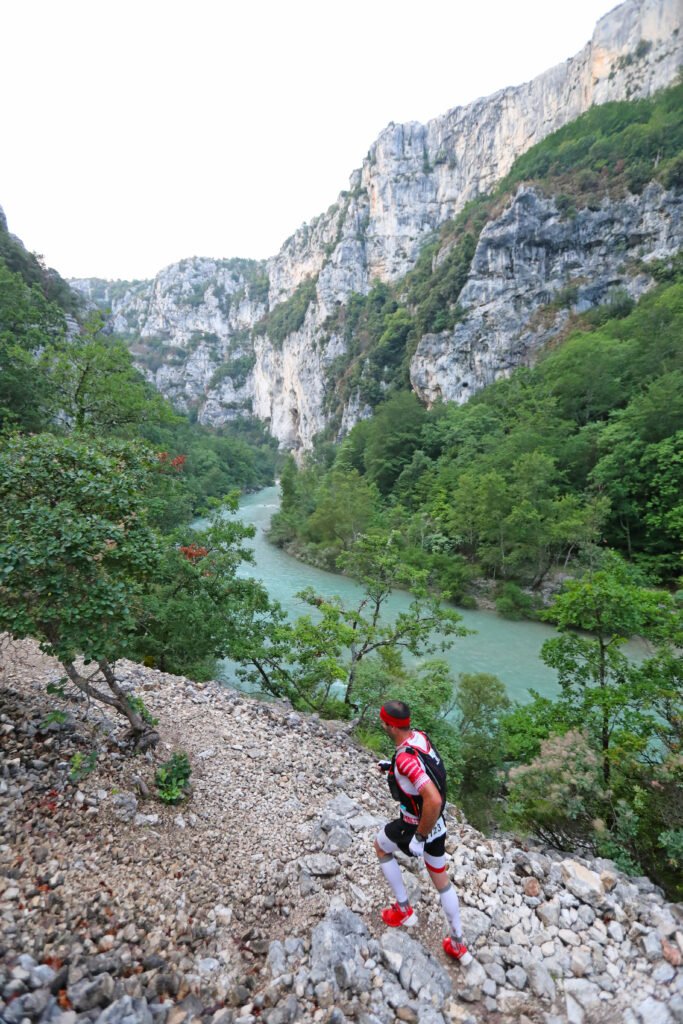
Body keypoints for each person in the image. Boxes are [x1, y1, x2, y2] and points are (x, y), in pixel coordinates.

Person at [374, 699, 472, 964]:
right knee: (441, 880)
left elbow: (433, 799)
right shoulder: (420, 738)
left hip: (414, 825)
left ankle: (404, 910)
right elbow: (425, 769)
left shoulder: (406, 760)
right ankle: (458, 944)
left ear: (392, 726)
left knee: (381, 846)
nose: (381, 724)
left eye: (384, 722)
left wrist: (418, 836)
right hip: (437, 825)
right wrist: (391, 767)